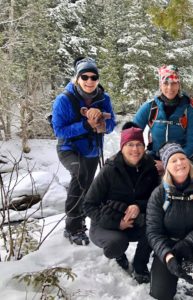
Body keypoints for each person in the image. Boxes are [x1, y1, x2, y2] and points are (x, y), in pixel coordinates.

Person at [83, 122, 158, 283]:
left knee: (155, 227)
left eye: (139, 144)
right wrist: (117, 223)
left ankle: (140, 265)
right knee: (116, 243)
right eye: (130, 144)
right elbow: (88, 205)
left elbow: (156, 200)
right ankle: (119, 254)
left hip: (136, 221)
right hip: (106, 222)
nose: (135, 149)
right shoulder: (109, 170)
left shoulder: (150, 168)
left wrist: (139, 206)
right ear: (122, 147)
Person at [52, 57, 116, 246]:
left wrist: (102, 124)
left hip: (91, 150)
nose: (89, 81)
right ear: (77, 78)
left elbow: (112, 124)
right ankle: (72, 227)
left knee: (87, 187)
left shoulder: (104, 99)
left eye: (93, 77)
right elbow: (59, 130)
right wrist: (86, 125)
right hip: (68, 148)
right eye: (84, 76)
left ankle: (82, 222)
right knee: (79, 175)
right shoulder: (64, 100)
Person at [146, 143, 193, 300]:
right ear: (167, 166)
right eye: (174, 160)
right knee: (160, 294)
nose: (179, 163)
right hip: (169, 245)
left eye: (182, 158)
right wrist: (167, 256)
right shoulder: (159, 194)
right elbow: (153, 231)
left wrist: (189, 241)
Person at [133, 65, 193, 175]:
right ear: (160, 85)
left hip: (182, 159)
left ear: (179, 85)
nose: (170, 87)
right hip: (154, 158)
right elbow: (131, 133)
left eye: (173, 83)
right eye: (165, 83)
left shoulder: (187, 109)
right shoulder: (150, 107)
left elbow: (192, 144)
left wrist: (170, 162)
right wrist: (141, 156)